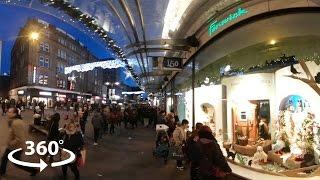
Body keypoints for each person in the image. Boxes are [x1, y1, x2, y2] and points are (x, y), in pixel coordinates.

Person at [0, 107, 38, 176]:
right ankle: (2, 171)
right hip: (13, 146)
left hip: (16, 147)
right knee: (4, 158)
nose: (8, 113)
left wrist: (10, 143)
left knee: (17, 163)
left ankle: (33, 170)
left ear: (14, 114)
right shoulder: (13, 121)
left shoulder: (16, 123)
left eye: (10, 112)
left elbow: (20, 138)